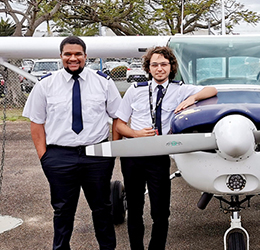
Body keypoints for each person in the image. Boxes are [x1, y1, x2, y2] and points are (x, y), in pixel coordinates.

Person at [22, 36, 121, 250]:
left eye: (78, 54)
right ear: (61, 56)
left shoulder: (103, 82)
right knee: (63, 211)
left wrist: (113, 149)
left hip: (97, 154)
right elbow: (36, 122)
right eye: (68, 54)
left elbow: (118, 117)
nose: (73, 58)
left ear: (86, 56)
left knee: (102, 208)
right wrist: (45, 157)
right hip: (59, 156)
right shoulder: (45, 84)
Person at [115, 46, 217, 250]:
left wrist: (191, 99)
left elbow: (212, 90)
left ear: (171, 67)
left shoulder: (180, 89)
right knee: (135, 209)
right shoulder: (135, 90)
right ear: (148, 68)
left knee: (160, 211)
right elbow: (119, 124)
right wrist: (135, 134)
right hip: (134, 154)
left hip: (159, 156)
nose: (159, 68)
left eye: (164, 64)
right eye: (154, 65)